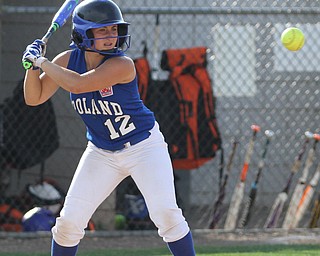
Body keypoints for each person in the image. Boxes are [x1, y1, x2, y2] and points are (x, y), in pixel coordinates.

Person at [22, 0, 196, 255]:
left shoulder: (122, 64)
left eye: (114, 29)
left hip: (143, 147)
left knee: (166, 215)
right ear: (83, 33)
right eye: (101, 30)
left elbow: (79, 85)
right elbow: (33, 97)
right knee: (68, 222)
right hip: (101, 151)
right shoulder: (68, 60)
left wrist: (42, 62)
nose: (111, 36)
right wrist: (30, 65)